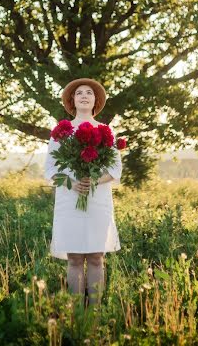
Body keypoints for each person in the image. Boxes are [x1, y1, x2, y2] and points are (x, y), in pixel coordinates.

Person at [44, 78, 122, 308]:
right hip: (70, 199)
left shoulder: (106, 131)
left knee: (97, 257)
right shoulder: (61, 132)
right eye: (79, 93)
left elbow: (115, 169)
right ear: (72, 100)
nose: (85, 95)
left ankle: (95, 312)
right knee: (75, 258)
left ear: (96, 101)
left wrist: (94, 180)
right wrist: (71, 182)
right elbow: (50, 169)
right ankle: (77, 312)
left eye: (89, 92)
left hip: (98, 199)